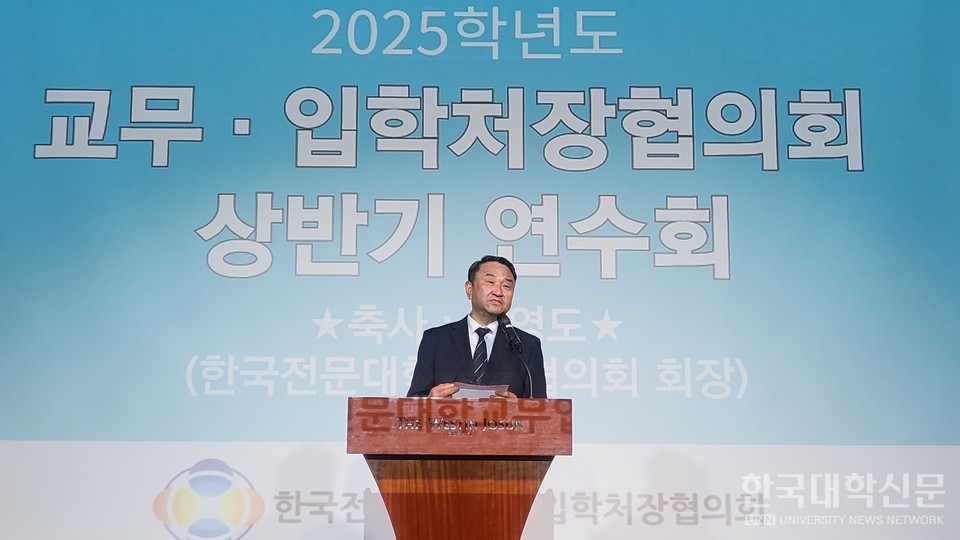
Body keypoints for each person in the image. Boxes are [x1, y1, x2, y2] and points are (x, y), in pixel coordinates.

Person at [407, 255, 547, 398]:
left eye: (507, 286)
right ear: (469, 289)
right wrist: (429, 402)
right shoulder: (435, 340)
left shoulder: (526, 346)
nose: (498, 292)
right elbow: (411, 404)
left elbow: (542, 411)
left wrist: (517, 409)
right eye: (490, 282)